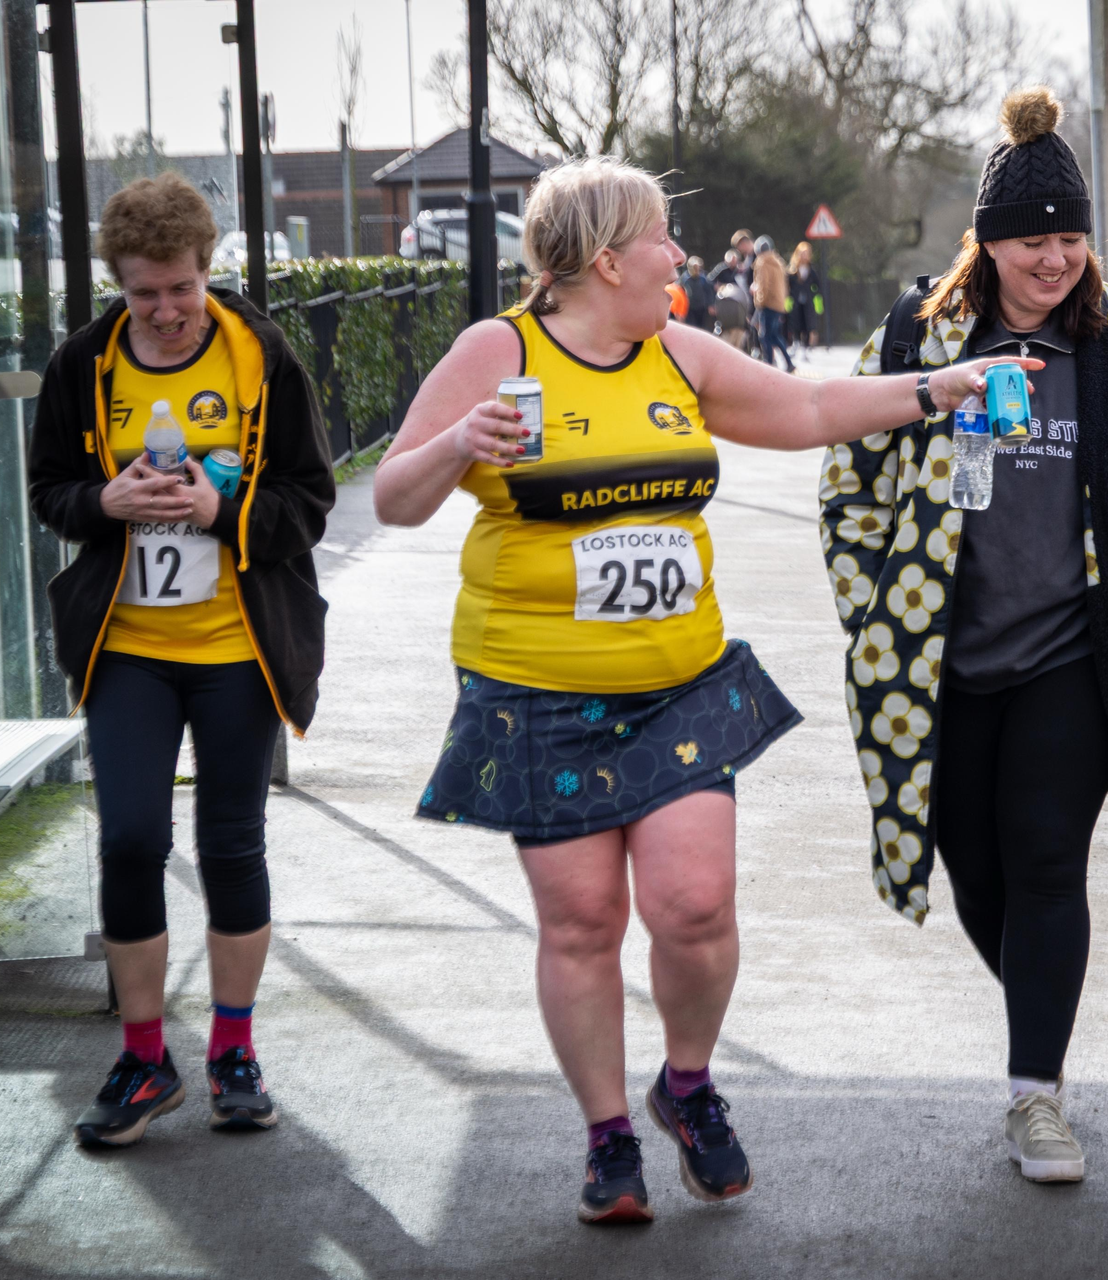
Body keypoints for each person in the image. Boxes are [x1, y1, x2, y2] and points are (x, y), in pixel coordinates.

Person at [374, 156, 1033, 1225]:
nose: (679, 254)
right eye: (662, 238)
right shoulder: (498, 350)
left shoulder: (675, 352)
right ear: (604, 259)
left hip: (681, 681)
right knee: (584, 918)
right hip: (536, 688)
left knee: (694, 905)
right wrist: (457, 443)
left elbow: (812, 404)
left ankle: (687, 1084)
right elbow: (395, 498)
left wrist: (932, 389)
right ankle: (605, 1137)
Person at [822, 86, 1108, 1185]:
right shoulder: (917, 337)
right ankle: (1042, 1011)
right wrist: (876, 610)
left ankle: (1035, 1092)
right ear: (989, 243)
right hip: (937, 665)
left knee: (1048, 862)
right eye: (1034, 241)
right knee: (973, 870)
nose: (1057, 261)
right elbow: (848, 490)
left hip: (1069, 658)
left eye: (1072, 238)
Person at [27, 172, 334, 1147]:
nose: (162, 312)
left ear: (210, 271)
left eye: (180, 290)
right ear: (118, 284)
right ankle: (144, 1053)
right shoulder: (85, 362)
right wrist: (103, 504)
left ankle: (234, 1052)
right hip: (131, 646)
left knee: (231, 841)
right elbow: (51, 488)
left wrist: (222, 512)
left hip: (236, 642)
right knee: (128, 839)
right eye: (142, 293)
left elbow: (310, 496)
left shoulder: (260, 355)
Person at [750, 235, 795, 370]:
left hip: (768, 304)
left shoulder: (762, 262)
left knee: (765, 336)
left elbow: (764, 284)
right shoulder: (778, 261)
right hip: (778, 304)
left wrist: (759, 301)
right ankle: (789, 363)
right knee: (774, 335)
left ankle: (768, 365)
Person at [789, 241, 821, 349]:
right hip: (795, 301)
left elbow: (817, 285)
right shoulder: (793, 270)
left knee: (808, 322)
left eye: (806, 253)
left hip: (807, 301)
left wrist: (812, 293)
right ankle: (796, 342)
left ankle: (806, 345)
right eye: (802, 253)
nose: (804, 256)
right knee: (795, 321)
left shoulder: (811, 270)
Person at [682, 256, 717, 331]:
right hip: (690, 308)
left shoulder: (703, 278)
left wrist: (710, 305)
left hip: (702, 308)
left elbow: (709, 292)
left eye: (698, 268)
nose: (696, 270)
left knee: (702, 327)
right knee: (691, 327)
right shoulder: (685, 278)